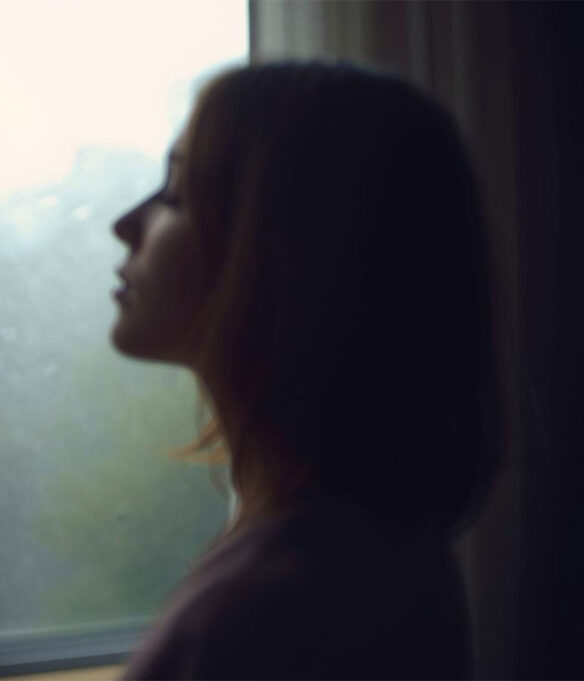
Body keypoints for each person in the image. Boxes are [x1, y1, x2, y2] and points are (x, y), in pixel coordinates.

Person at [110, 62, 504, 679]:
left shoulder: (255, 613)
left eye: (178, 194)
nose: (125, 225)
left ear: (276, 256)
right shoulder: (385, 555)